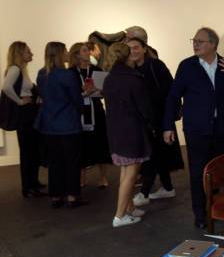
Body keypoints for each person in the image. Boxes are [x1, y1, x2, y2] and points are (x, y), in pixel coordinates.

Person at [163, 27, 224, 229]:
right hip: (196, 129)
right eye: (194, 40)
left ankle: (215, 208)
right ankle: (201, 214)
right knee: (198, 173)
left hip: (220, 129)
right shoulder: (187, 66)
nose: (195, 44)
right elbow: (173, 96)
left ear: (213, 44)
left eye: (200, 41)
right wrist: (168, 125)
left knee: (216, 172)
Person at [128, 37, 184, 207]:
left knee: (153, 154)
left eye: (136, 47)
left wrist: (170, 116)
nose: (133, 51)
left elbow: (171, 91)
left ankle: (144, 192)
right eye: (129, 48)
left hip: (160, 118)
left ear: (145, 48)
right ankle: (167, 187)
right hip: (143, 120)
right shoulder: (130, 70)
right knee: (158, 154)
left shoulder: (156, 66)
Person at [103, 43, 153, 228]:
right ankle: (120, 215)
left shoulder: (109, 79)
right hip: (132, 131)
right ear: (129, 56)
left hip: (116, 130)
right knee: (131, 174)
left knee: (125, 172)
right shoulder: (133, 79)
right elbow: (145, 109)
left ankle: (129, 208)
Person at [35, 42, 86, 209]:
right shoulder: (67, 75)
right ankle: (72, 196)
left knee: (55, 161)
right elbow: (77, 100)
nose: (67, 53)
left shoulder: (41, 74)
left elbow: (43, 96)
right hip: (68, 124)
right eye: (65, 50)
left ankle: (56, 196)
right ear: (58, 53)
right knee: (72, 161)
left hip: (49, 124)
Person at [2, 42, 45, 197]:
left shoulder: (21, 70)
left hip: (28, 113)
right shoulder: (14, 69)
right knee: (28, 150)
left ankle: (33, 182)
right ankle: (28, 186)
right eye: (28, 51)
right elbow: (6, 88)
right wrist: (20, 101)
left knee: (31, 149)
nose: (31, 54)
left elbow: (29, 87)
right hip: (24, 114)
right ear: (20, 53)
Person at [67, 42, 111, 189]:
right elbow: (68, 94)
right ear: (77, 54)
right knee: (81, 144)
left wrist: (102, 91)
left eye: (88, 51)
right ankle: (82, 177)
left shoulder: (97, 70)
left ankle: (103, 177)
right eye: (85, 51)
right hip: (78, 111)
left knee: (101, 143)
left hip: (96, 110)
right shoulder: (71, 72)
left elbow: (104, 93)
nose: (89, 53)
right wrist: (83, 92)